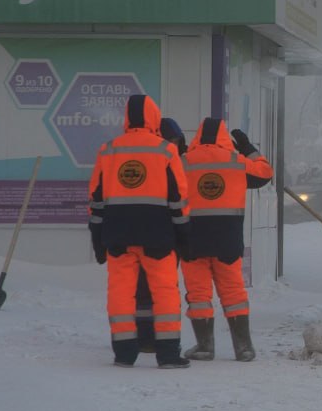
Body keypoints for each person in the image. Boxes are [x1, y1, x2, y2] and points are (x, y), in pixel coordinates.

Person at [88, 95, 191, 369]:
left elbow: (96, 200)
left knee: (120, 292)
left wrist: (97, 239)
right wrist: (183, 236)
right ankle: (168, 353)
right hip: (158, 235)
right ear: (154, 118)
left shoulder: (108, 151)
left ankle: (124, 353)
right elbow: (178, 199)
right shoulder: (166, 151)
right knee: (165, 291)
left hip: (117, 234)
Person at [181, 118, 274, 361]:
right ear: (224, 137)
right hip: (228, 239)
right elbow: (265, 173)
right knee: (233, 292)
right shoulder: (237, 162)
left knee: (198, 293)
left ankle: (204, 346)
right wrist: (247, 147)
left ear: (198, 136)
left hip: (192, 239)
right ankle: (244, 348)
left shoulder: (184, 162)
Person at [135, 117, 187, 354]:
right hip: (157, 233)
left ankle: (160, 337)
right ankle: (148, 338)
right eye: (171, 141)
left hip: (165, 235)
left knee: (162, 289)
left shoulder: (177, 161)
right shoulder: (161, 162)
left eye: (177, 141)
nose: (174, 145)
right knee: (148, 288)